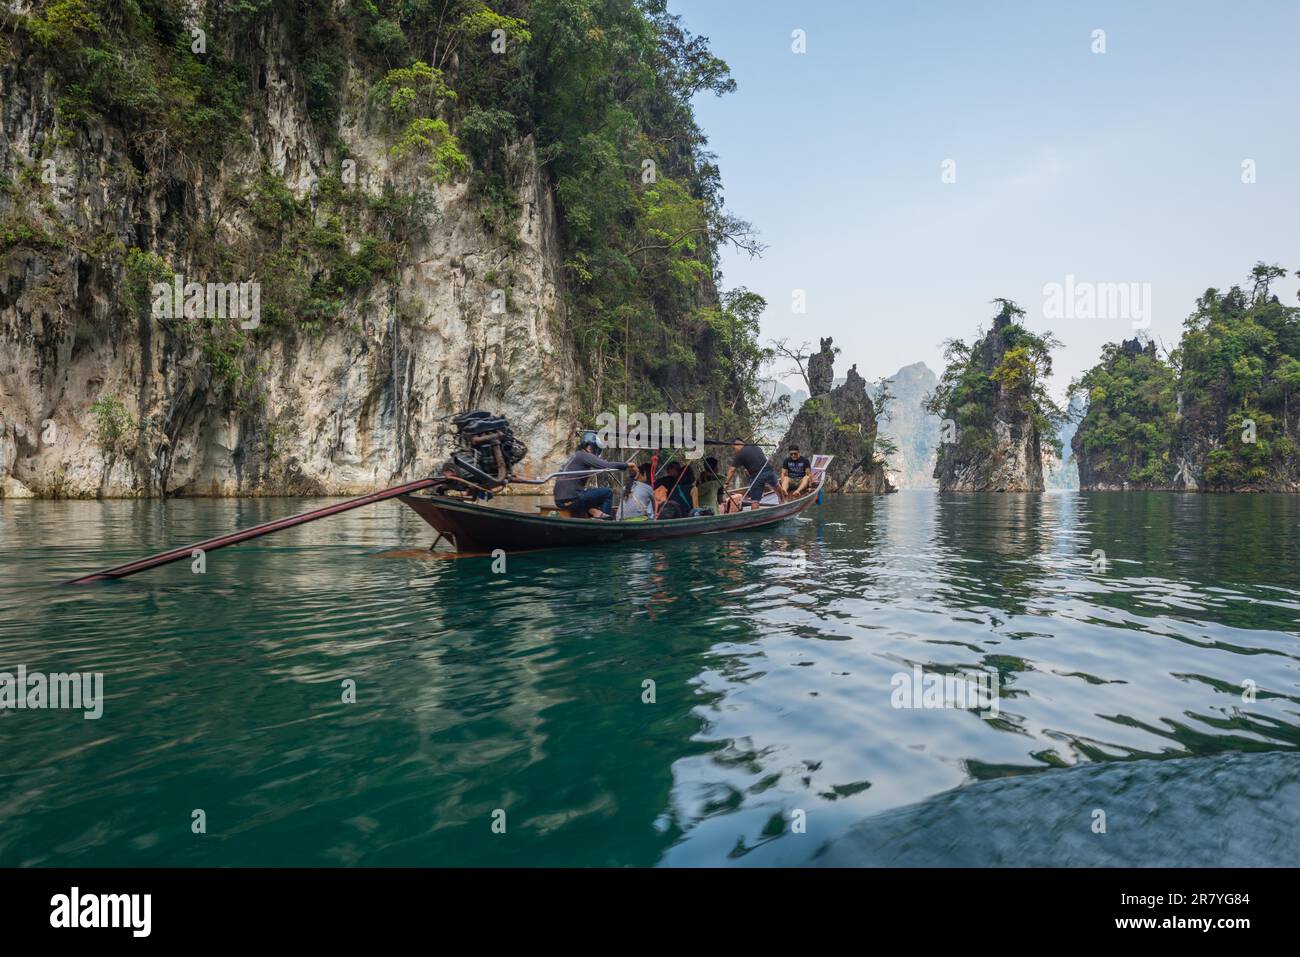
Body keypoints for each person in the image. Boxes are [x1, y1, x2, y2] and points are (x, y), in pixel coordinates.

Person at [554, 431, 628, 518]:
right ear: (588, 447)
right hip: (572, 500)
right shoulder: (584, 455)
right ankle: (604, 524)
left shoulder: (574, 456)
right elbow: (606, 465)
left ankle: (596, 513)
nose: (596, 451)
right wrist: (626, 465)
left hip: (559, 501)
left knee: (590, 493)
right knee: (607, 493)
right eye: (595, 448)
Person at [724, 438, 778, 510]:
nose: (735, 450)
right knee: (777, 486)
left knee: (755, 501)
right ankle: (783, 501)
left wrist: (726, 483)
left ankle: (754, 518)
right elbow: (757, 461)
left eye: (734, 448)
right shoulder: (756, 447)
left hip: (757, 476)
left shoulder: (740, 454)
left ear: (737, 444)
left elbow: (732, 470)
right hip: (769, 471)